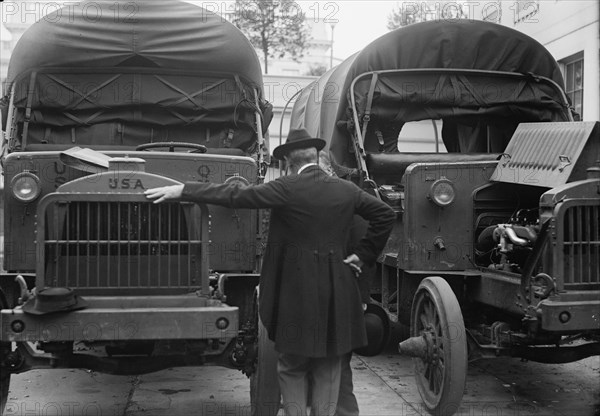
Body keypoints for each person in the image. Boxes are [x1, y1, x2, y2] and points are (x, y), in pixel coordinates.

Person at [145, 129, 395, 416]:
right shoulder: (347, 190)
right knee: (328, 367)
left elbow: (236, 195)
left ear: (288, 162)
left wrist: (183, 190)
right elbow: (385, 215)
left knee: (291, 367)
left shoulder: (286, 188)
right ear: (316, 156)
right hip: (337, 293)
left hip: (295, 295)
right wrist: (362, 255)